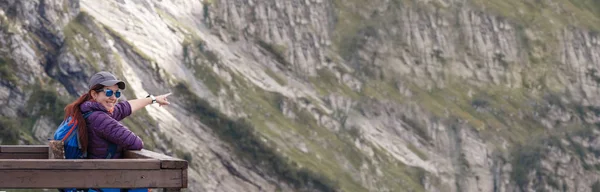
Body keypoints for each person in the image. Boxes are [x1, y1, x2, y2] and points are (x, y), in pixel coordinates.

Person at [62, 71, 171, 159]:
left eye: (117, 93)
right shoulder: (99, 119)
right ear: (94, 94)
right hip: (102, 180)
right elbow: (136, 143)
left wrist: (153, 99)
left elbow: (125, 107)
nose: (114, 97)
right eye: (108, 92)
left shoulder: (87, 111)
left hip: (92, 176)